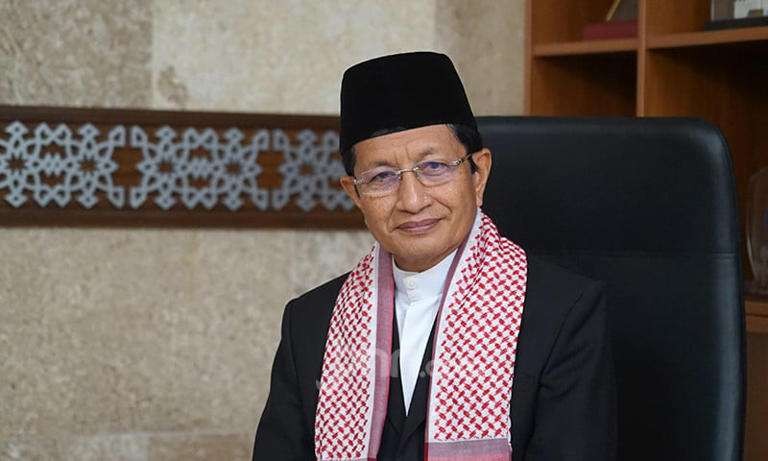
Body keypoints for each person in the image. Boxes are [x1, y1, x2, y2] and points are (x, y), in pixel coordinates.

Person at [253, 51, 616, 460]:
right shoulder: (310, 322)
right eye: (381, 177)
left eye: (434, 167)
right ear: (355, 194)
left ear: (479, 173)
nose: (411, 200)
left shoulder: (564, 312)